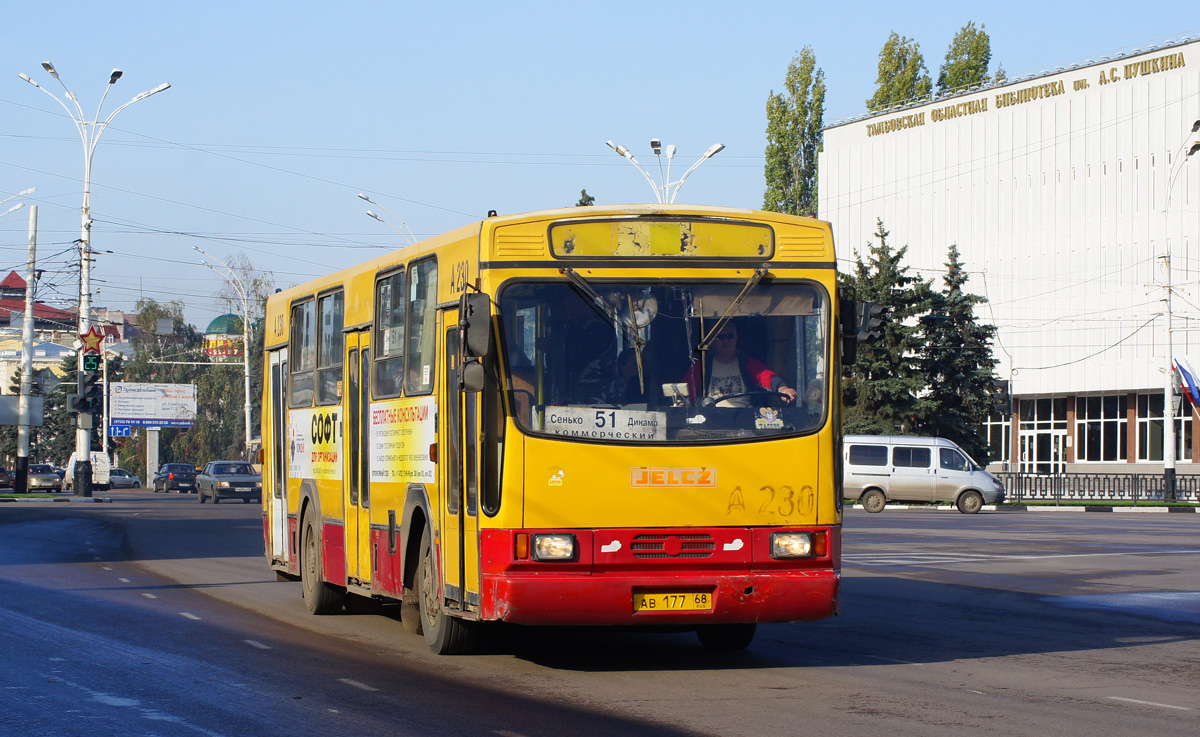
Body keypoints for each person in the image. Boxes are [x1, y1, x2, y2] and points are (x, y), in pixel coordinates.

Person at [683, 322, 797, 407]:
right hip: (711, 421)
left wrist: (783, 389)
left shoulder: (746, 362)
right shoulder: (702, 366)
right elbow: (685, 393)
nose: (726, 340)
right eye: (720, 337)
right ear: (711, 342)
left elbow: (766, 376)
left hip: (746, 419)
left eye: (731, 336)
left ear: (737, 338)